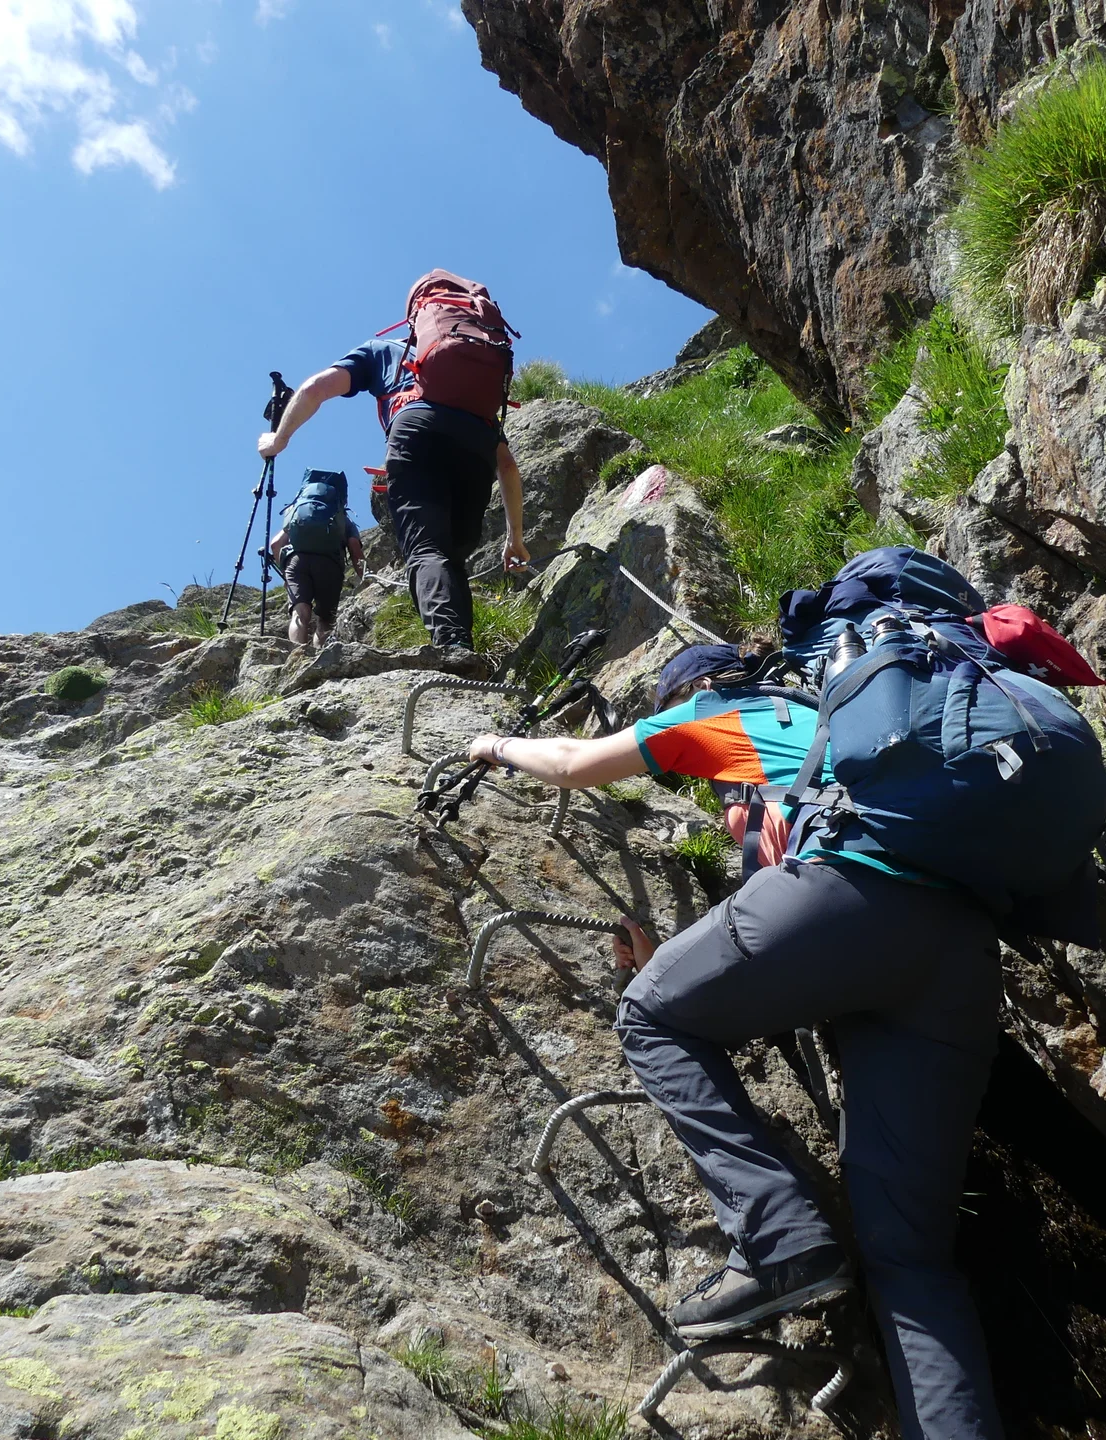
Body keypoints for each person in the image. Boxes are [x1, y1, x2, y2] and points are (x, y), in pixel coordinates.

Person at [467, 641, 1008, 1440]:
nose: (714, 805)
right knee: (912, 1264)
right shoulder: (844, 723)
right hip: (961, 951)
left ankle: (777, 1238)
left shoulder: (720, 712)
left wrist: (491, 745)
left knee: (648, 1014)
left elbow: (575, 763)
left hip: (850, 893)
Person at [256, 279, 529, 652]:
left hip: (416, 429)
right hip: (477, 441)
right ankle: (461, 647)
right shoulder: (478, 372)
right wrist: (515, 539)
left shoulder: (384, 350)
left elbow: (316, 388)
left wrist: (280, 438)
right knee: (452, 556)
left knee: (427, 551)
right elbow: (508, 467)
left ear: (415, 316)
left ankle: (453, 649)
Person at [265, 514, 366, 653]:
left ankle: (297, 658)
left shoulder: (299, 513)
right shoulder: (343, 518)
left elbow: (275, 544)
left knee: (299, 613)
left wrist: (285, 576)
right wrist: (367, 578)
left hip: (296, 561)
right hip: (329, 563)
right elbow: (354, 548)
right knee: (325, 619)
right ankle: (319, 657)